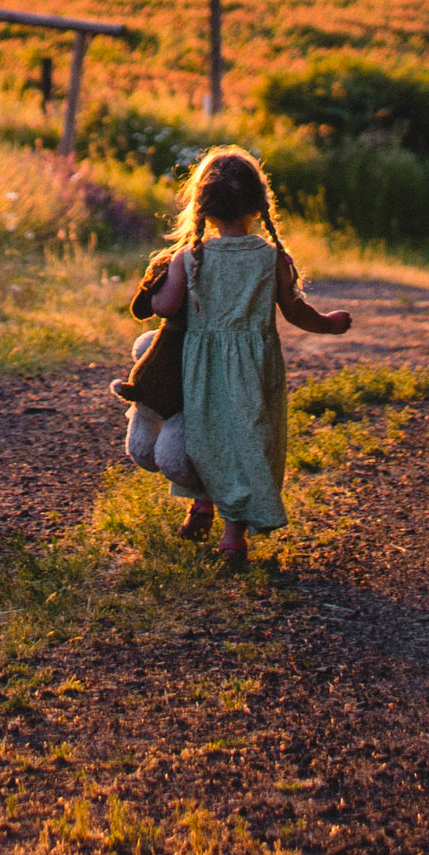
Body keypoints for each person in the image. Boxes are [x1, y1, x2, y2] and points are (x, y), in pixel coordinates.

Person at [127, 145, 350, 569]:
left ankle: (202, 506)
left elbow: (165, 307)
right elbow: (295, 310)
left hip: (202, 369)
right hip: (253, 370)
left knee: (207, 435)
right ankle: (232, 539)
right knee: (245, 442)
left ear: (202, 207)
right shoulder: (272, 259)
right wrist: (329, 324)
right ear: (257, 205)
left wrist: (156, 284)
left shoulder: (188, 257)